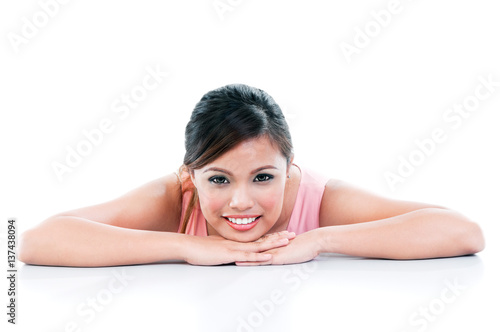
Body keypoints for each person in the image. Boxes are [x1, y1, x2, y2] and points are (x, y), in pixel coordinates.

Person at [18, 84, 485, 267]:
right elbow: (35, 242)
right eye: (219, 180)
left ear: (289, 168)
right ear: (190, 176)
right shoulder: (173, 198)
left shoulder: (319, 200)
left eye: (263, 178)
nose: (241, 201)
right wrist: (189, 245)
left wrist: (319, 240)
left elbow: (463, 232)